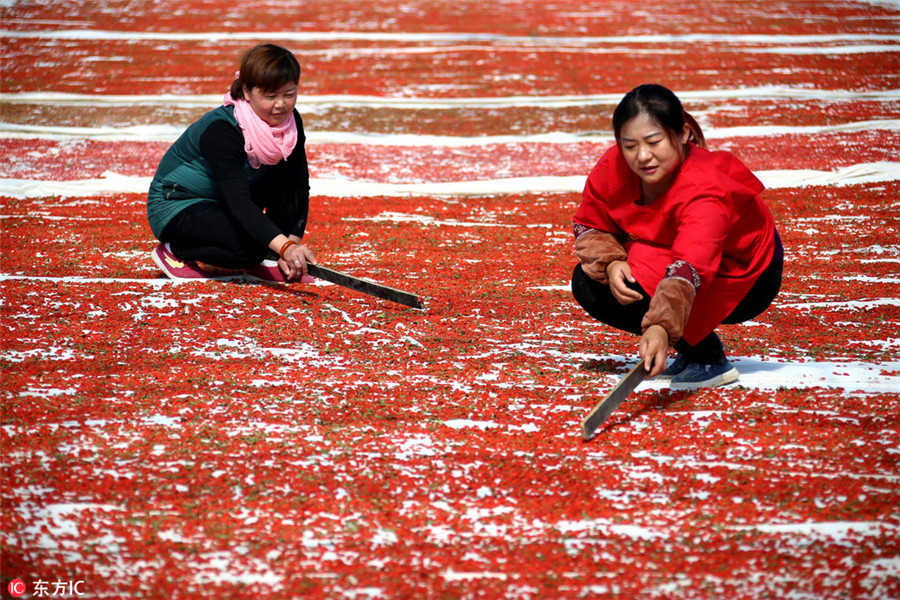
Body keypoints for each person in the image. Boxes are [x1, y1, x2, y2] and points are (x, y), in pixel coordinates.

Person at [571, 84, 783, 389]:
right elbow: (591, 223)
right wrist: (611, 262)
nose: (642, 156)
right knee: (591, 281)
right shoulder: (613, 165)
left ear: (683, 134)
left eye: (654, 141)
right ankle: (694, 347)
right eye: (629, 145)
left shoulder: (705, 188)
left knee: (646, 272)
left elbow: (690, 266)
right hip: (671, 252)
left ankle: (707, 358)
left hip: (745, 269)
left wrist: (660, 327)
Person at [147, 43, 316, 283]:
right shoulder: (222, 129)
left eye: (289, 94)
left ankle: (267, 261)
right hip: (180, 205)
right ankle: (175, 249)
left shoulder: (290, 122)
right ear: (246, 91)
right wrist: (284, 246)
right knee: (247, 249)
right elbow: (239, 202)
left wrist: (291, 244)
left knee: (287, 178)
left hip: (224, 201)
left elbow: (298, 184)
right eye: (270, 96)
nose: (281, 105)